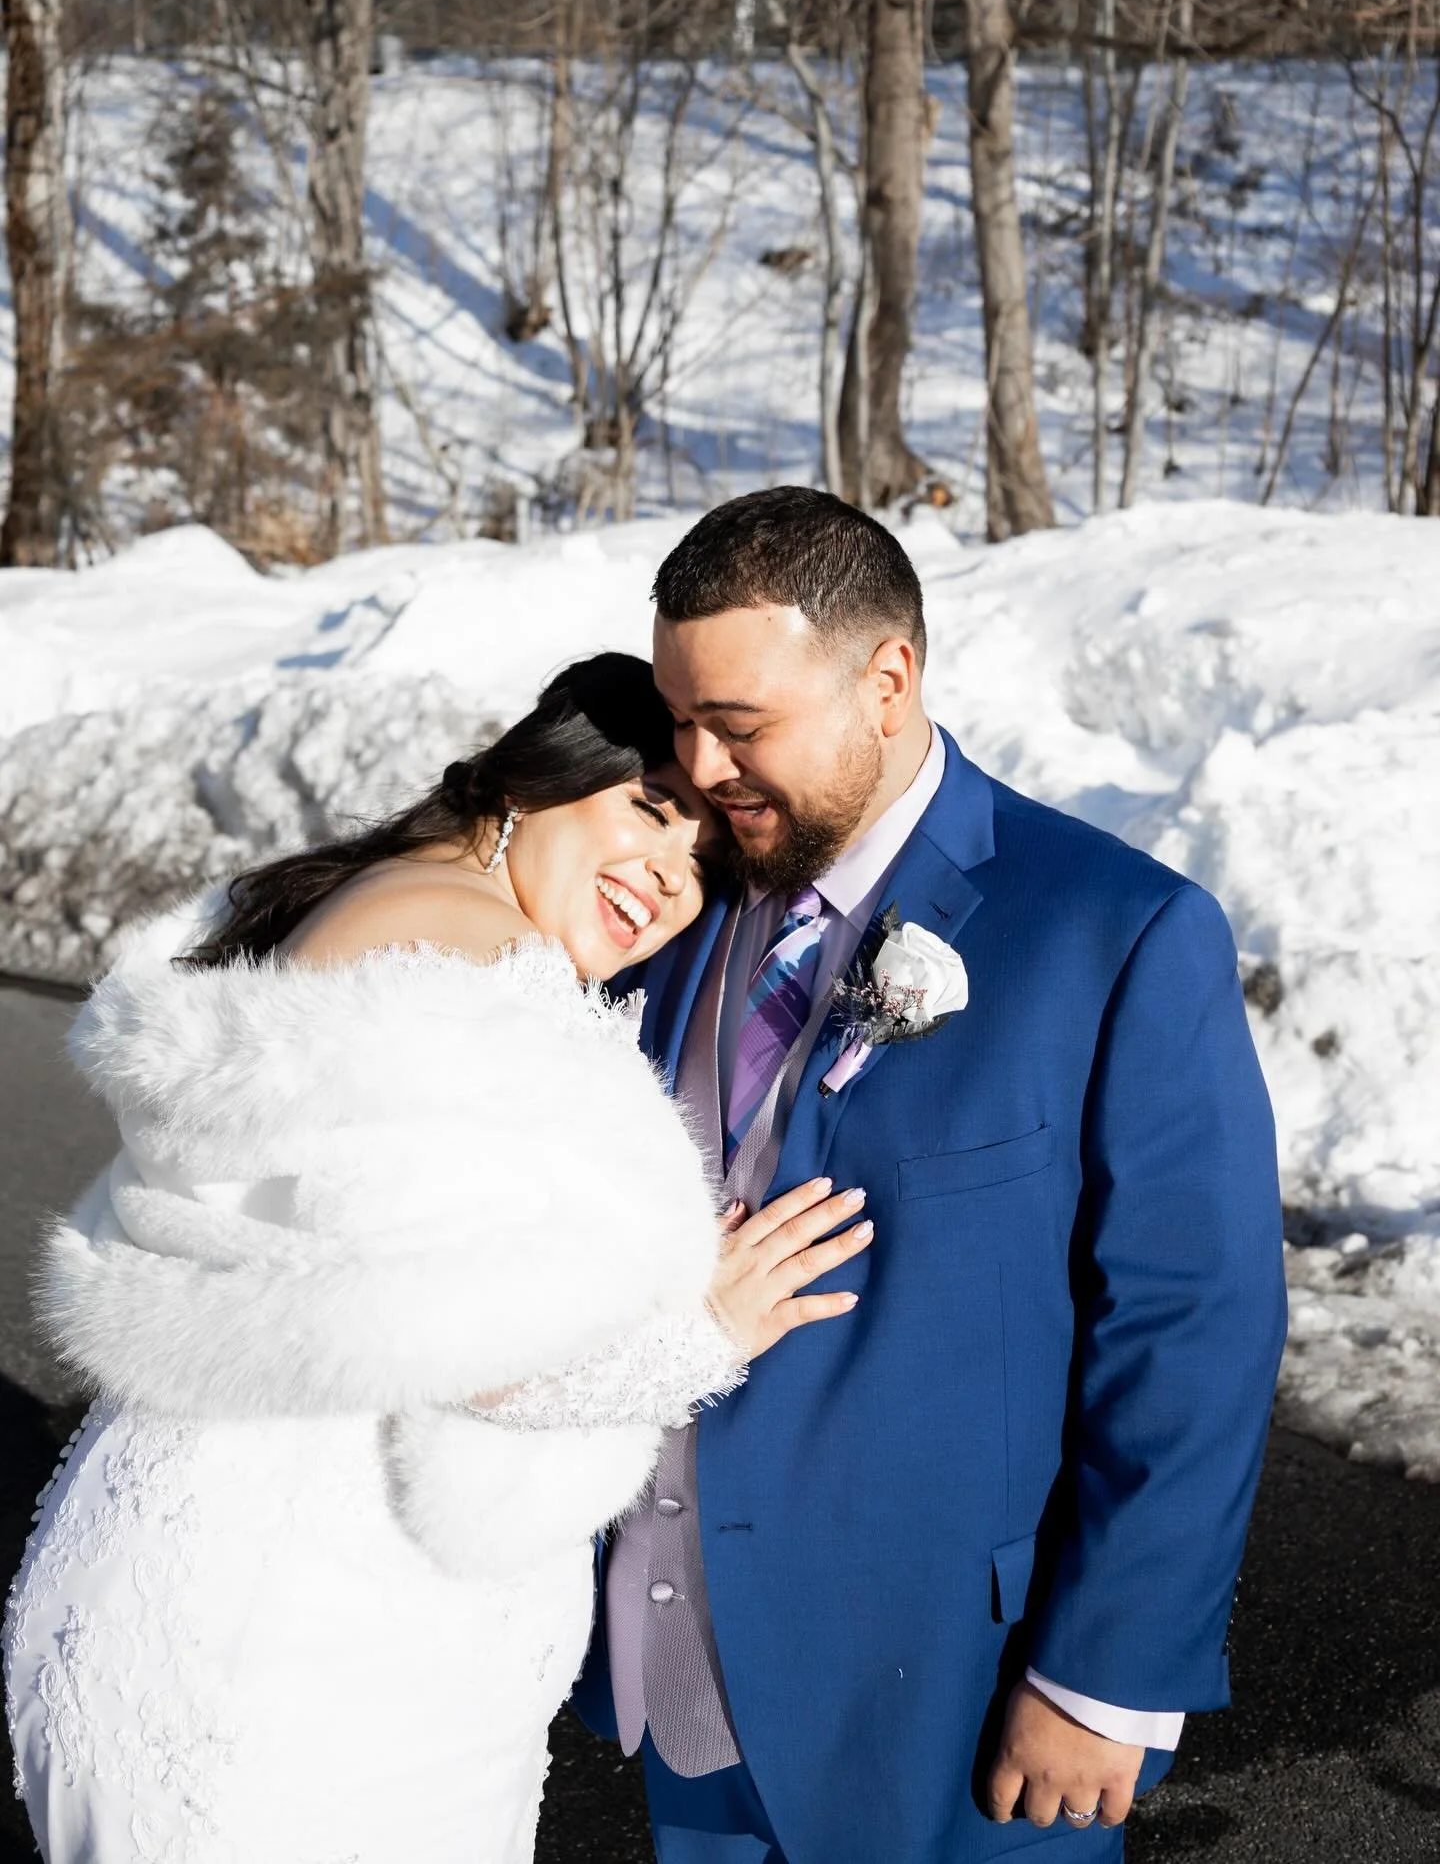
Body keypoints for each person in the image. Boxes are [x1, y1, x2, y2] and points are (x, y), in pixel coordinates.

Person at [2, 652, 871, 1864]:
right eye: (650, 812)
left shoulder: (360, 904)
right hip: (304, 1641)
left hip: (202, 1579)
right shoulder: (485, 979)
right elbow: (462, 1343)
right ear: (536, 776)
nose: (665, 883)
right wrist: (708, 1327)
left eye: (698, 871)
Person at [571, 491, 1289, 1863]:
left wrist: (1106, 1675)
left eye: (740, 721)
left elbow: (1192, 1326)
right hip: (681, 1685)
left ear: (887, 678)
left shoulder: (1113, 931)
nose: (699, 762)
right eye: (679, 717)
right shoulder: (672, 904)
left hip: (963, 1705)